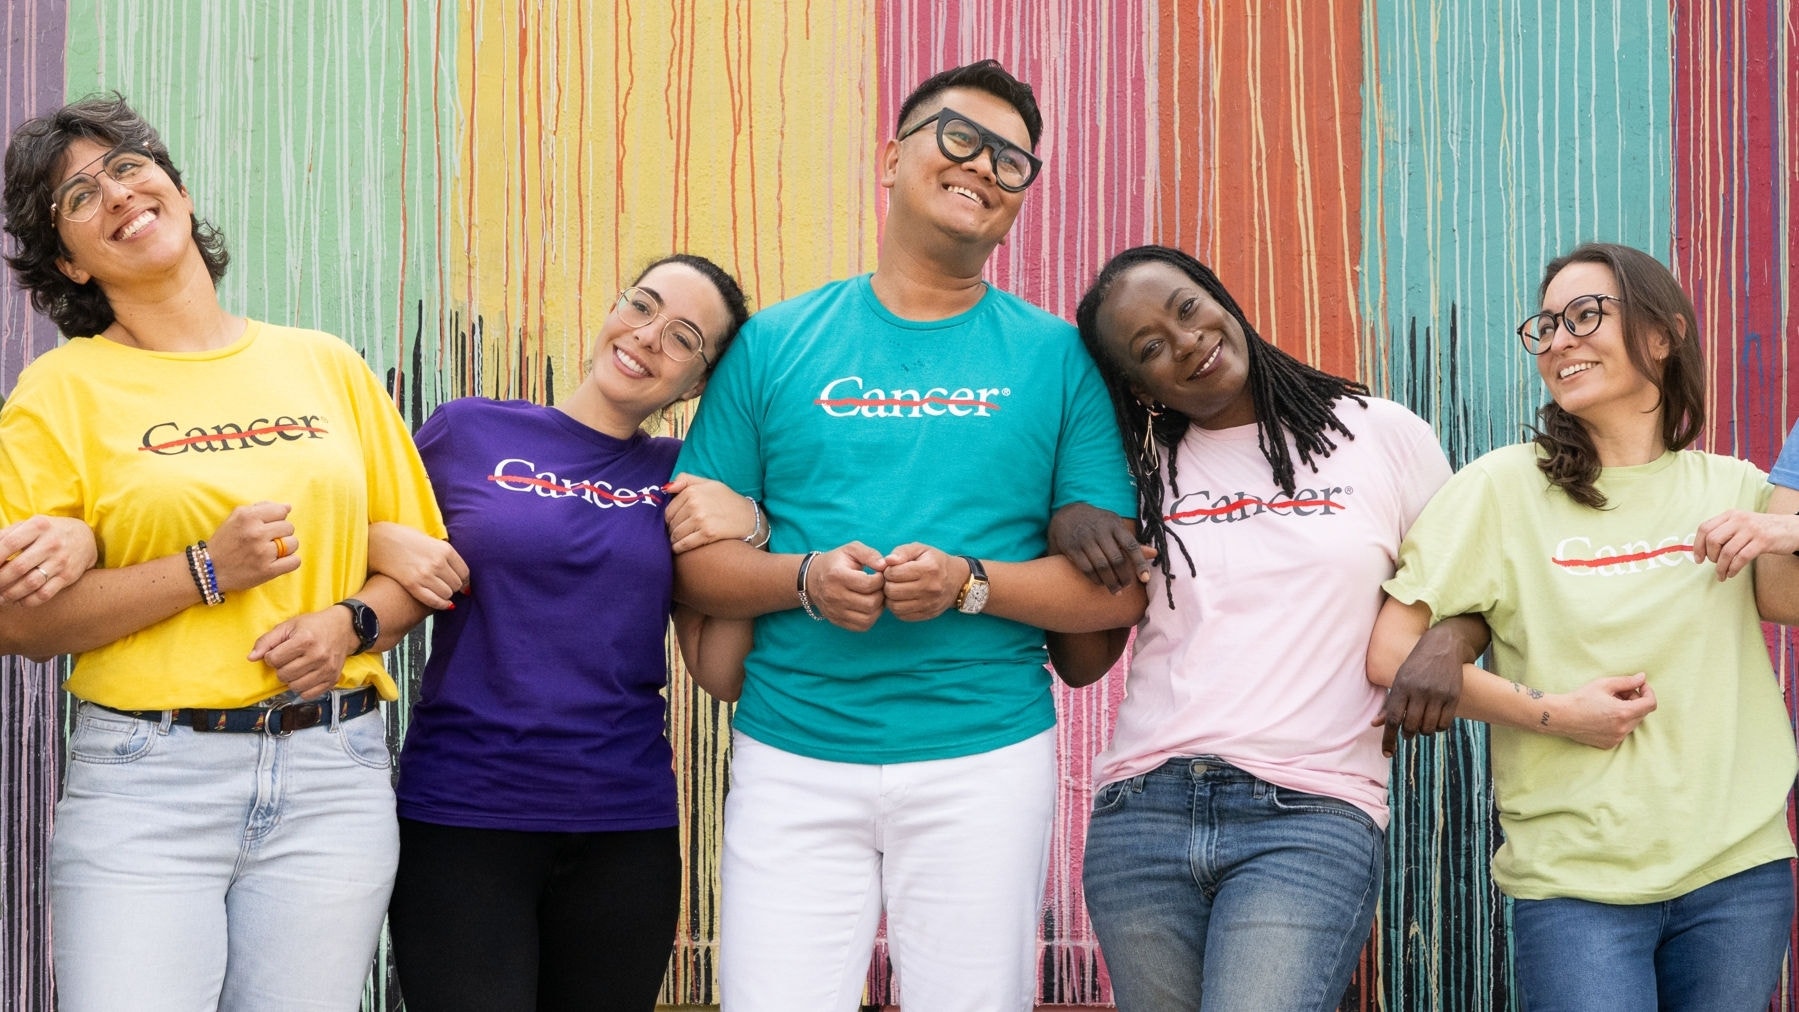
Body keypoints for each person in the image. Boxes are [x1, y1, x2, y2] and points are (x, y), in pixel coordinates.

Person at [671, 60, 1147, 1011]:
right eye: (958, 138)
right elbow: (695, 565)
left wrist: (973, 582)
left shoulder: (1056, 356)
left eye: (1013, 162)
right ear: (893, 156)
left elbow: (1116, 589)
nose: (983, 168)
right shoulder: (775, 342)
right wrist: (803, 578)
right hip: (790, 755)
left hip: (984, 759)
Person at [0, 94, 446, 1009]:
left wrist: (349, 623)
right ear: (69, 267)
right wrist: (205, 570)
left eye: (127, 166)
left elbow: (422, 568)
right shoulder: (60, 392)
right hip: (149, 785)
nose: (117, 194)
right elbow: (20, 626)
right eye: (78, 198)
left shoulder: (325, 364)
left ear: (177, 188)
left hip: (334, 779)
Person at [1369, 242, 1799, 1011]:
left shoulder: (1737, 489)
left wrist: (1787, 530)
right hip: (1574, 884)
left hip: (1736, 875)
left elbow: (1788, 600)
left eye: (1585, 315)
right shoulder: (1500, 488)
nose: (1559, 339)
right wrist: (1554, 714)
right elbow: (1388, 652)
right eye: (1546, 326)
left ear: (1662, 336)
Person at [1054, 244, 1453, 1010]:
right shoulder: (1135, 471)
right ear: (1135, 386)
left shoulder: (1378, 432)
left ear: (1219, 296)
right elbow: (1081, 663)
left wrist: (1445, 641)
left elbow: (1462, 585)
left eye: (1186, 309)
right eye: (1150, 348)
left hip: (1308, 812)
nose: (1187, 342)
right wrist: (1065, 518)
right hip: (1142, 814)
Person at [379, 253, 754, 1010]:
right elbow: (365, 551)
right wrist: (374, 538)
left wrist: (756, 527)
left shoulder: (684, 478)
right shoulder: (468, 430)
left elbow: (720, 671)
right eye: (641, 305)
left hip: (624, 827)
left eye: (684, 338)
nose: (648, 337)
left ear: (698, 384)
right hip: (463, 815)